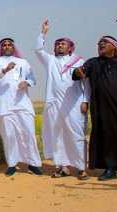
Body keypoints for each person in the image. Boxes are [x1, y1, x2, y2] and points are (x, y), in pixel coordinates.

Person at [73, 36, 117, 181]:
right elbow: (79, 73)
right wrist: (78, 72)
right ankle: (109, 169)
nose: (101, 44)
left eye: (104, 42)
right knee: (105, 137)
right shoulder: (94, 62)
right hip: (101, 108)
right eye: (99, 43)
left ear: (114, 46)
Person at [34, 21, 91, 180]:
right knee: (57, 135)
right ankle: (63, 167)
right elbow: (37, 49)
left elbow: (87, 83)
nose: (59, 46)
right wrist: (43, 33)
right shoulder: (50, 60)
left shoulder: (79, 61)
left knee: (76, 134)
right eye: (57, 44)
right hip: (54, 104)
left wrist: (85, 100)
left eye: (63, 44)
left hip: (74, 103)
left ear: (70, 47)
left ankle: (81, 167)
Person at [0, 38, 42, 177]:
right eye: (4, 45)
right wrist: (4, 70)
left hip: (22, 104)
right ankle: (12, 165)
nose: (7, 47)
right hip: (5, 105)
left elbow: (33, 79)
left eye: (9, 45)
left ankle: (33, 164)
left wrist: (26, 82)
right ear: (1, 48)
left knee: (28, 133)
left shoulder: (23, 62)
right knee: (10, 136)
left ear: (13, 47)